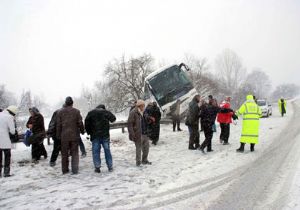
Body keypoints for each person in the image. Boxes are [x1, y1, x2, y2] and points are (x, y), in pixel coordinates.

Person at [56, 97, 84, 174]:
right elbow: (80, 123)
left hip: (64, 136)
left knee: (64, 154)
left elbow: (58, 125)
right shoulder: (76, 112)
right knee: (75, 153)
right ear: (72, 103)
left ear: (65, 103)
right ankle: (75, 170)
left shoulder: (60, 112)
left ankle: (65, 170)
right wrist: (82, 131)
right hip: (74, 135)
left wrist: (58, 135)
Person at [85, 104, 116, 173]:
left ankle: (97, 167)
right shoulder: (105, 112)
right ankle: (110, 167)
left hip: (95, 136)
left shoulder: (91, 113)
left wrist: (89, 132)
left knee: (95, 152)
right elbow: (113, 119)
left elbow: (86, 124)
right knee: (107, 151)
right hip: (105, 135)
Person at [128, 99, 152, 166]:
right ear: (139, 106)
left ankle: (144, 160)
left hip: (145, 133)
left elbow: (146, 121)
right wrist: (132, 134)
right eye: (142, 106)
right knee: (138, 148)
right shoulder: (133, 112)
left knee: (146, 148)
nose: (144, 107)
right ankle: (138, 162)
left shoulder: (144, 112)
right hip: (138, 134)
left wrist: (149, 120)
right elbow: (129, 124)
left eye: (144, 106)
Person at [0, 106, 18, 177]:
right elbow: (12, 131)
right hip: (5, 140)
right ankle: (6, 172)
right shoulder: (9, 117)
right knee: (7, 156)